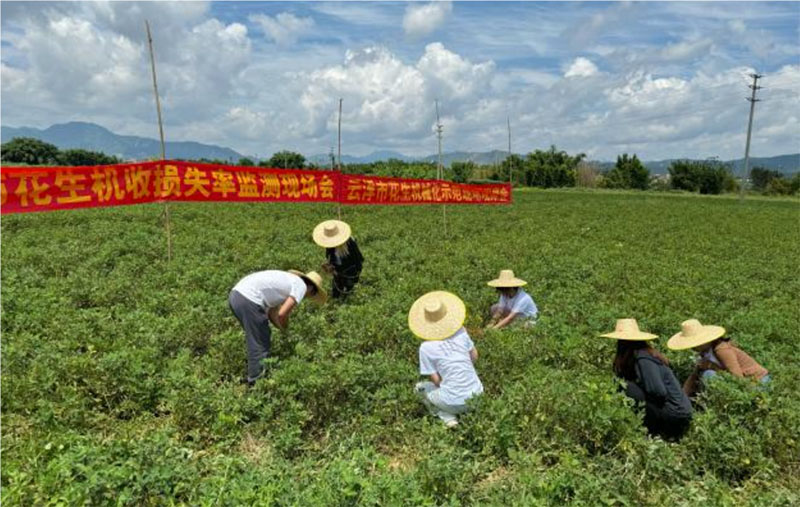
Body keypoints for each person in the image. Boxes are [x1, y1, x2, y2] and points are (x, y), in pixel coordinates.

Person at [229, 269, 326, 385]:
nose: (308, 297)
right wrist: (285, 325)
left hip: (236, 296)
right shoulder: (301, 286)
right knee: (259, 342)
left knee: (259, 337)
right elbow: (282, 314)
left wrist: (283, 330)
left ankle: (253, 375)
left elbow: (272, 313)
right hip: (249, 299)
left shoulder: (288, 282)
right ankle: (255, 383)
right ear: (311, 288)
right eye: (313, 294)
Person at [600, 319, 692, 440]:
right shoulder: (641, 355)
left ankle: (652, 430)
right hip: (677, 412)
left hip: (675, 415)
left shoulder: (644, 359)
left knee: (625, 386)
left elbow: (658, 391)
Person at [409, 291, 483, 428]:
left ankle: (447, 417)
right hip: (477, 397)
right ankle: (465, 412)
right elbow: (474, 356)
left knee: (419, 388)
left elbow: (436, 381)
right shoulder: (461, 331)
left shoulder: (426, 347)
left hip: (452, 402)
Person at [667, 319, 770, 397]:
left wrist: (712, 366)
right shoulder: (704, 353)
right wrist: (681, 398)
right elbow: (694, 377)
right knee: (706, 373)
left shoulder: (721, 349)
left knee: (709, 374)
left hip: (758, 382)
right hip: (745, 383)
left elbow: (738, 377)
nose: (692, 347)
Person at [313, 220, 364, 299]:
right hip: (337, 270)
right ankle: (335, 301)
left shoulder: (350, 243)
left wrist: (356, 272)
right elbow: (330, 257)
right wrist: (329, 266)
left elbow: (358, 259)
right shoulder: (329, 245)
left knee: (348, 290)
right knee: (336, 291)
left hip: (350, 270)